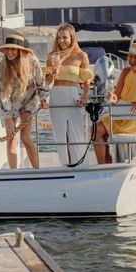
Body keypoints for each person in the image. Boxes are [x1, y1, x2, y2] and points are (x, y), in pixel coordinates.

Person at [0, 34, 49, 169]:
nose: (9, 52)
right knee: (11, 138)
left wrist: (43, 99)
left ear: (20, 50)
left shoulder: (32, 62)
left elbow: (41, 83)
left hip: (29, 100)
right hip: (11, 102)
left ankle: (37, 169)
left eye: (13, 49)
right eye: (7, 49)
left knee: (25, 137)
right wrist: (8, 119)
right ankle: (13, 172)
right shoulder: (2, 67)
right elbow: (3, 95)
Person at [45, 24, 93, 166]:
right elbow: (47, 80)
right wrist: (52, 73)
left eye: (64, 37)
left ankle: (79, 164)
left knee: (75, 131)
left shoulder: (81, 56)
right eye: (59, 38)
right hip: (56, 96)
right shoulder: (52, 56)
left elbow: (86, 81)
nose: (61, 41)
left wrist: (85, 97)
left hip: (72, 94)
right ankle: (65, 165)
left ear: (72, 37)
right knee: (60, 133)